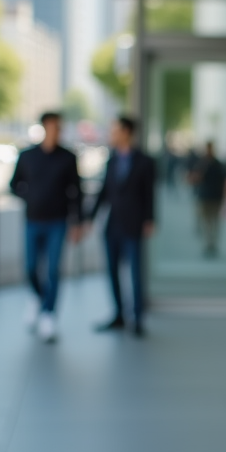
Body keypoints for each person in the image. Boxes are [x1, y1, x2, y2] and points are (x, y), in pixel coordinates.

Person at [9, 111, 81, 343]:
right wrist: (30, 197)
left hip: (58, 222)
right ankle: (38, 298)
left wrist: (77, 221)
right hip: (33, 220)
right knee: (31, 267)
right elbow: (13, 185)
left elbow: (76, 192)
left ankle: (49, 315)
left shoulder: (68, 158)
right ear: (44, 128)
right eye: (52, 127)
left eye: (59, 127)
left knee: (52, 270)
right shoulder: (28, 156)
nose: (55, 131)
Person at [86, 116, 156, 337]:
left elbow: (149, 194)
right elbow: (103, 192)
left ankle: (137, 318)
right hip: (113, 225)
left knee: (134, 273)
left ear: (126, 132)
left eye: (115, 130)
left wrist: (150, 219)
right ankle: (119, 314)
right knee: (113, 272)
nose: (112, 134)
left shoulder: (145, 161)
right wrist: (89, 218)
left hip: (134, 224)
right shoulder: (112, 159)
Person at [189, 141, 226, 256]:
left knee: (215, 222)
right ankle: (208, 243)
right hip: (204, 196)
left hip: (215, 197)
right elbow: (194, 178)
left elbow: (224, 180)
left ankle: (213, 243)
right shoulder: (202, 163)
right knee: (207, 222)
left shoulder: (218, 164)